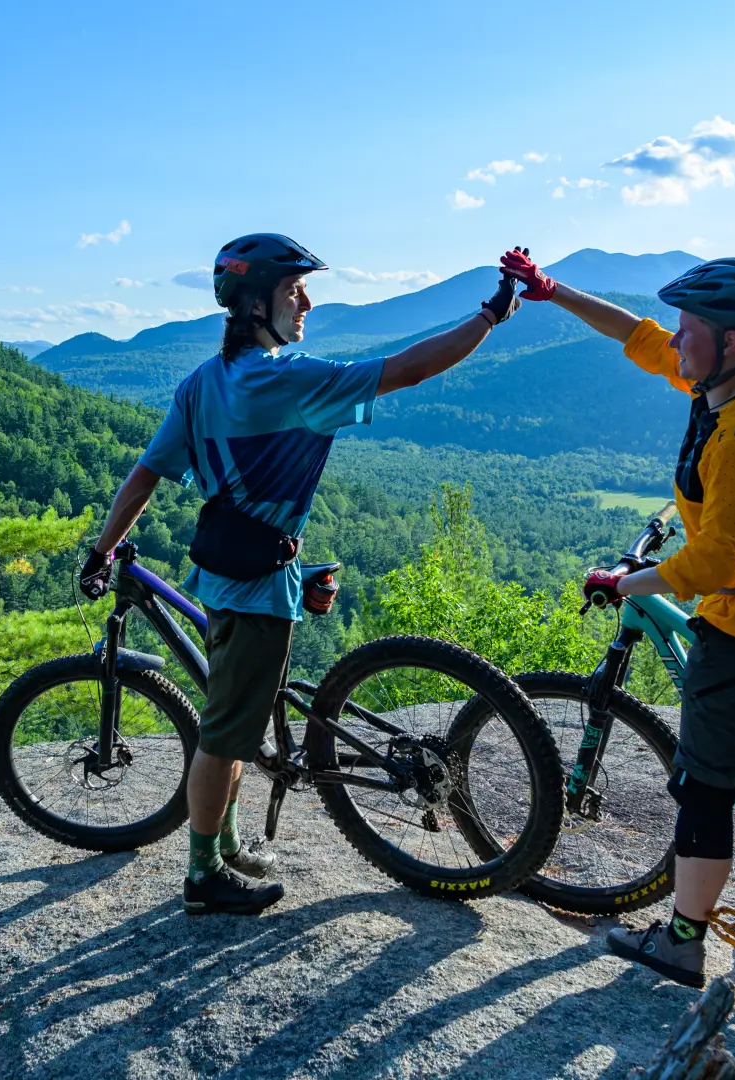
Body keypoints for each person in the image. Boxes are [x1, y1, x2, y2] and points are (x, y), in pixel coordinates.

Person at [80, 233, 522, 916]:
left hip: (233, 576)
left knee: (228, 721)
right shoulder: (282, 380)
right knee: (225, 735)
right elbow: (407, 369)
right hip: (257, 591)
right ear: (258, 304)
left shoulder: (203, 382)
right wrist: (487, 318)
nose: (307, 302)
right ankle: (203, 878)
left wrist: (104, 549)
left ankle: (223, 845)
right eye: (294, 291)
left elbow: (146, 474)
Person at [499, 248, 735, 986]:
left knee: (704, 790)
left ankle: (681, 941)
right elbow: (638, 335)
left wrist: (627, 581)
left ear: (732, 340)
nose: (676, 340)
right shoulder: (729, 389)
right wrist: (552, 291)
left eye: (690, 329)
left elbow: (714, 565)